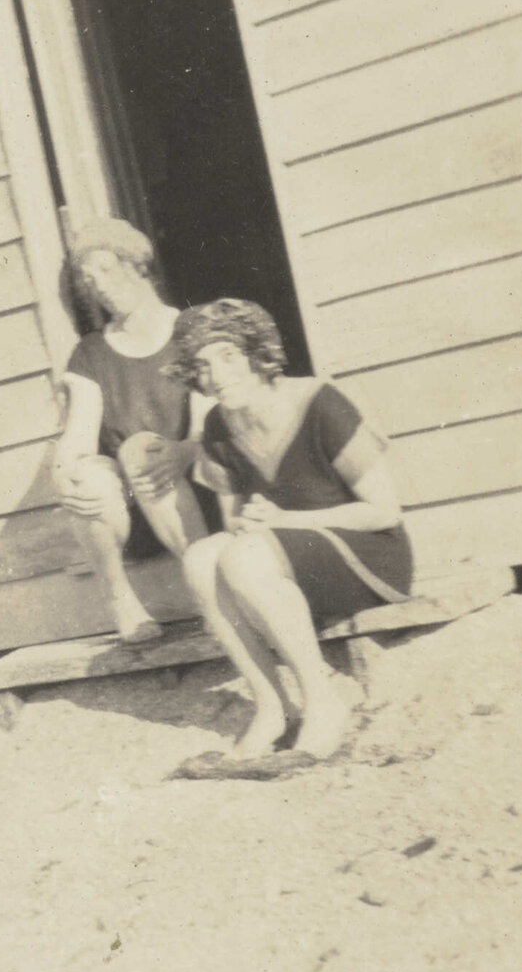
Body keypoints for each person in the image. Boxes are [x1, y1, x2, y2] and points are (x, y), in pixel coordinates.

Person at [169, 299, 414, 760]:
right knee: (201, 558)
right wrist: (251, 523)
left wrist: (285, 522)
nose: (217, 376)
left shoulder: (320, 402)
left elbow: (384, 512)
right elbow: (232, 526)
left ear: (257, 353)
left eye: (228, 356)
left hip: (370, 555)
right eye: (202, 366)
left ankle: (323, 703)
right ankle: (272, 706)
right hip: (285, 565)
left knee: (245, 555)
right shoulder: (219, 424)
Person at [51, 218, 215, 644]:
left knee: (143, 450)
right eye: (89, 279)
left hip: (202, 492)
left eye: (107, 269)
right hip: (136, 512)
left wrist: (183, 451)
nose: (99, 286)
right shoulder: (91, 354)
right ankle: (120, 598)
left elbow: (206, 427)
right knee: (84, 472)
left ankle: (214, 592)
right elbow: (78, 438)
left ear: (138, 264)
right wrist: (65, 472)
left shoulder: (193, 327)